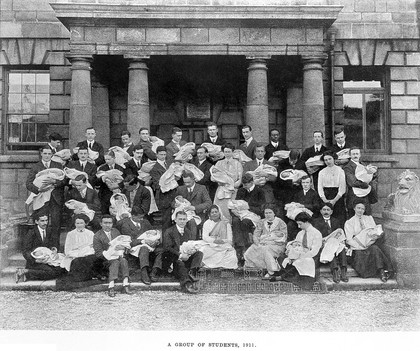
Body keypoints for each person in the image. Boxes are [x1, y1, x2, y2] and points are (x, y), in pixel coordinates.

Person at [26, 145, 65, 249]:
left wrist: (55, 181)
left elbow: (64, 181)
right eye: (45, 153)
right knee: (42, 224)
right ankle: (41, 248)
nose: (47, 156)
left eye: (49, 154)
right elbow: (28, 184)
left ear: (52, 154)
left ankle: (55, 248)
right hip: (41, 199)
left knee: (56, 224)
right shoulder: (36, 167)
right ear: (41, 154)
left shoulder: (58, 165)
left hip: (55, 199)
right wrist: (38, 190)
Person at [344, 200, 393, 282]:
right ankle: (369, 272)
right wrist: (361, 246)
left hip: (370, 244)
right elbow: (349, 240)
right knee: (360, 255)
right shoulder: (349, 222)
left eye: (362, 209)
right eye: (358, 208)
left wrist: (374, 237)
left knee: (375, 249)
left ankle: (382, 272)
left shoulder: (369, 218)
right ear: (354, 209)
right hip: (357, 247)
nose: (360, 210)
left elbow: (375, 231)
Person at [275, 212, 322, 289]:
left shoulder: (316, 233)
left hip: (311, 256)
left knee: (303, 262)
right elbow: (296, 244)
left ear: (306, 222)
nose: (298, 226)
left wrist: (300, 256)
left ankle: (284, 277)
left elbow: (314, 251)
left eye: (300, 224)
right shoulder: (300, 233)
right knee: (281, 258)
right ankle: (286, 276)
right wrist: (291, 250)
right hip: (299, 254)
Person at [116, 208, 162, 285]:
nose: (141, 219)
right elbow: (128, 240)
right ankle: (144, 273)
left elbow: (152, 233)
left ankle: (154, 271)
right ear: (133, 216)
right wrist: (142, 241)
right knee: (144, 248)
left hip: (148, 244)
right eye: (139, 217)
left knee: (161, 250)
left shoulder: (145, 222)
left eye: (142, 217)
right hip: (134, 246)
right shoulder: (125, 224)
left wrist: (155, 241)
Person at [16, 212, 65, 283]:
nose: (45, 223)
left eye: (46, 220)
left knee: (61, 269)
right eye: (42, 221)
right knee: (51, 272)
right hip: (35, 261)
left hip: (48, 260)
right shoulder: (31, 233)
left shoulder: (49, 230)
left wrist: (54, 250)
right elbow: (25, 251)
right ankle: (26, 271)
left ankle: (27, 273)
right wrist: (35, 260)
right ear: (36, 221)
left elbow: (53, 244)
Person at [162, 211, 203, 294]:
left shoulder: (188, 232)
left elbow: (190, 245)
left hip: (186, 259)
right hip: (174, 260)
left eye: (184, 219)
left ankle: (192, 273)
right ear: (175, 220)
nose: (182, 221)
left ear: (187, 220)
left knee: (199, 253)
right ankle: (187, 284)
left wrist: (191, 251)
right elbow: (167, 248)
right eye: (180, 219)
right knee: (179, 263)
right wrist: (180, 255)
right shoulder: (169, 231)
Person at [93, 215, 132, 297]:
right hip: (105, 260)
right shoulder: (97, 236)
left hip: (118, 256)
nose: (108, 225)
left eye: (110, 223)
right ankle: (111, 286)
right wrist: (111, 252)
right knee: (115, 262)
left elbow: (123, 243)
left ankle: (126, 283)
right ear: (101, 224)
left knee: (123, 260)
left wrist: (123, 247)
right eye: (105, 223)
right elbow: (98, 253)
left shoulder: (116, 232)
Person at [244, 205, 287, 278]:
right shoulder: (261, 222)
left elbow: (284, 237)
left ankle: (271, 271)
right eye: (266, 213)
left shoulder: (280, 222)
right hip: (262, 242)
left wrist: (272, 240)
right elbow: (256, 234)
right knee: (250, 250)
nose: (268, 215)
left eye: (270, 213)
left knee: (266, 250)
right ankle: (256, 270)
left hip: (277, 244)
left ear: (274, 213)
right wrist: (257, 243)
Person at [232, 174, 265, 266]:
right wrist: (235, 209)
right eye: (243, 184)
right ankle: (239, 247)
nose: (244, 187)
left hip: (254, 215)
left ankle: (246, 247)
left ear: (251, 182)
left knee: (245, 222)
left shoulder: (259, 191)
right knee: (235, 220)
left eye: (246, 184)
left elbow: (262, 209)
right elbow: (236, 203)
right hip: (241, 214)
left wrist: (248, 207)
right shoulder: (241, 190)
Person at [312, 203, 348, 283]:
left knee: (341, 248)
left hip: (335, 242)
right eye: (324, 210)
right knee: (330, 248)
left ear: (331, 212)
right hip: (323, 244)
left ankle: (343, 272)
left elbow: (340, 234)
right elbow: (316, 236)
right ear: (321, 211)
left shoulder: (336, 221)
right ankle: (335, 272)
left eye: (328, 210)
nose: (326, 212)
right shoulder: (316, 222)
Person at [63, 214, 105, 282]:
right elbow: (67, 250)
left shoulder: (90, 233)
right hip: (74, 256)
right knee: (77, 261)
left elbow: (93, 248)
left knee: (91, 258)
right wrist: (79, 253)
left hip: (87, 255)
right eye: (77, 223)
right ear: (75, 224)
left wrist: (85, 251)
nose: (79, 225)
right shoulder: (70, 234)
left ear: (85, 223)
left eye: (81, 223)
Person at [173, 170, 212, 239]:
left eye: (188, 182)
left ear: (194, 179)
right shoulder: (180, 188)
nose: (187, 184)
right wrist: (175, 205)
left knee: (192, 222)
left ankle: (192, 243)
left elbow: (208, 203)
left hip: (198, 214)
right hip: (183, 213)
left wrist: (194, 207)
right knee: (181, 220)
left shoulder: (201, 188)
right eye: (185, 182)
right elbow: (173, 201)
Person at [343, 146, 378, 218]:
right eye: (353, 154)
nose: (355, 156)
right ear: (350, 155)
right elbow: (352, 182)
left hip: (365, 197)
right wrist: (366, 185)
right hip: (354, 196)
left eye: (357, 154)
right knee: (354, 218)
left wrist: (373, 173)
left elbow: (369, 177)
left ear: (360, 155)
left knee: (366, 217)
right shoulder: (347, 167)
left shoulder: (363, 165)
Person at [150, 146, 178, 232]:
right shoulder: (154, 168)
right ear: (156, 155)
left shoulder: (170, 164)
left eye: (164, 154)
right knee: (166, 221)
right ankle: (166, 243)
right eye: (161, 154)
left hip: (174, 194)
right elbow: (157, 184)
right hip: (164, 197)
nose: (163, 156)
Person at [200, 205, 238, 269]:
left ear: (219, 213)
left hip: (224, 245)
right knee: (203, 250)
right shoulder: (207, 223)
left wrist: (223, 242)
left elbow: (230, 239)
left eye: (216, 212)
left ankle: (215, 264)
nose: (214, 213)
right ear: (209, 214)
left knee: (232, 257)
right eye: (212, 212)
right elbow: (205, 237)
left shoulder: (226, 223)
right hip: (211, 244)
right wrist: (214, 241)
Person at [213, 143, 243, 222]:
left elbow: (240, 179)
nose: (227, 154)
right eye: (225, 152)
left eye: (229, 152)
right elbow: (213, 177)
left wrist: (233, 185)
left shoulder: (237, 164)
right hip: (221, 190)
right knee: (220, 211)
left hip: (233, 191)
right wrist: (219, 180)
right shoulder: (219, 163)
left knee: (231, 210)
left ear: (233, 152)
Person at [317, 150, 347, 226]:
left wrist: (334, 201)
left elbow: (342, 188)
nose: (328, 161)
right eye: (326, 160)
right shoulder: (322, 172)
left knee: (339, 218)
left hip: (337, 196)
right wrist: (325, 200)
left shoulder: (340, 171)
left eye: (330, 159)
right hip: (325, 196)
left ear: (333, 158)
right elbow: (320, 188)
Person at [274, 149, 305, 218]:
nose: (292, 162)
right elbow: (279, 178)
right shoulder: (282, 163)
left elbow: (305, 176)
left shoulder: (302, 164)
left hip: (297, 191)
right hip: (285, 191)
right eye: (290, 160)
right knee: (286, 211)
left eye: (294, 161)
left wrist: (299, 181)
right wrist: (291, 182)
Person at [96, 150, 125, 215]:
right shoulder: (102, 168)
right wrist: (102, 178)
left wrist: (117, 184)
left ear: (114, 158)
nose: (107, 161)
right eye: (105, 159)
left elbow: (124, 181)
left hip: (117, 194)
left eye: (109, 159)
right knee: (105, 213)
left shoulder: (120, 168)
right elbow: (96, 182)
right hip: (105, 194)